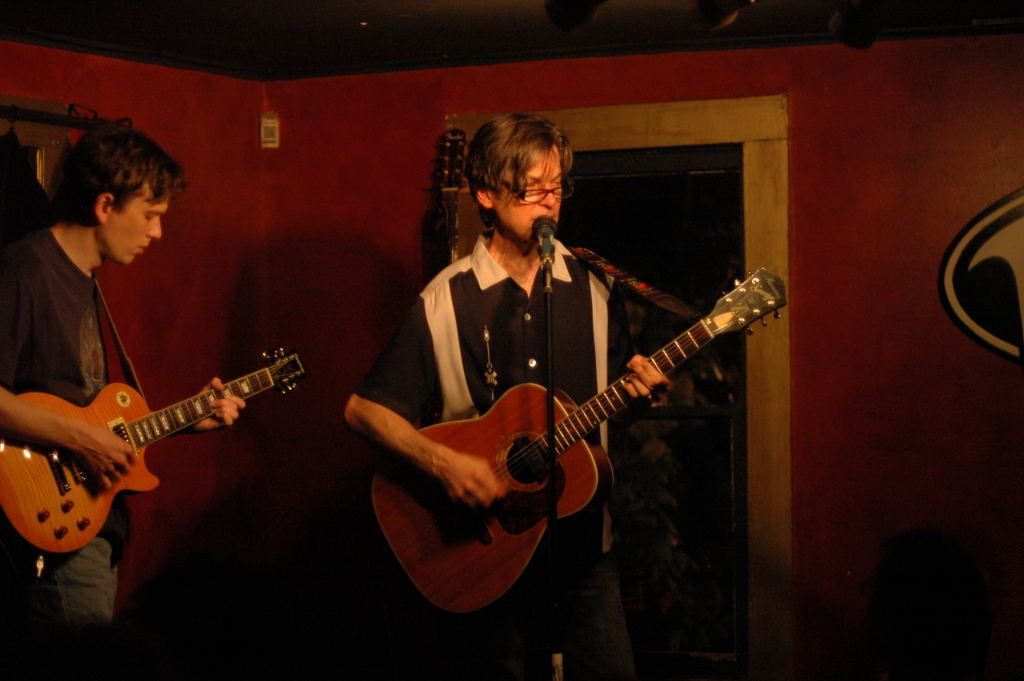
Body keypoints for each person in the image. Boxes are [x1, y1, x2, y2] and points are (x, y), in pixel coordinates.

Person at [345, 112, 669, 680]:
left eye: (557, 187)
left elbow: (615, 401)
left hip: (582, 552)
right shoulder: (443, 300)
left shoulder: (597, 288)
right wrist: (444, 463)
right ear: (487, 195)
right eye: (531, 189)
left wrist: (641, 396)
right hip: (482, 551)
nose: (549, 203)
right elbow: (363, 410)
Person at [0, 123, 245, 639]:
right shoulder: (26, 270)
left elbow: (89, 415)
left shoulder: (84, 282)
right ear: (105, 205)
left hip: (91, 522)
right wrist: (81, 438)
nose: (157, 233)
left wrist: (186, 420)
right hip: (43, 533)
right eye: (150, 215)